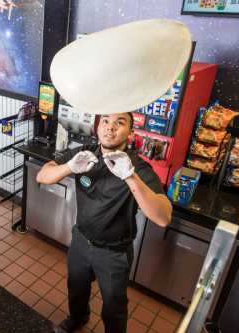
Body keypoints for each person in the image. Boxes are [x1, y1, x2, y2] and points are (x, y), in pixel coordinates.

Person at [37, 112, 172, 333]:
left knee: (113, 305)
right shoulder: (84, 154)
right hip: (81, 240)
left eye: (120, 123)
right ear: (98, 127)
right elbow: (43, 176)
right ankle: (78, 319)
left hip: (114, 252)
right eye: (106, 121)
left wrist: (129, 176)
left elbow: (163, 217)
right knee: (77, 289)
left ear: (130, 132)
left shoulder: (138, 168)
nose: (110, 128)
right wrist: (70, 167)